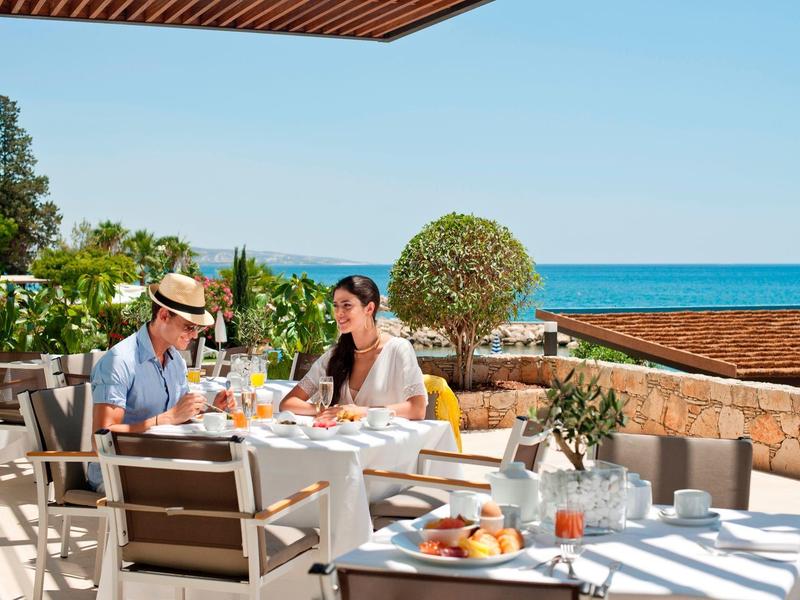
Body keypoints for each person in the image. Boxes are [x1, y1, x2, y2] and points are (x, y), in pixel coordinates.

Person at [88, 273, 234, 491]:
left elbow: (177, 419)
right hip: (120, 472)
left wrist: (212, 411)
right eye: (188, 327)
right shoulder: (119, 362)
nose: (194, 336)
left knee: (231, 481)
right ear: (164, 315)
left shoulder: (176, 361)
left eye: (197, 328)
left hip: (164, 462)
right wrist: (164, 419)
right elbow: (101, 439)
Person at [280, 275, 426, 420]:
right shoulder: (333, 357)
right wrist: (328, 410)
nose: (338, 313)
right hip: (340, 441)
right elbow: (288, 403)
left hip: (389, 441)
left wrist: (360, 412)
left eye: (347, 305)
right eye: (336, 305)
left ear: (369, 308)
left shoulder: (398, 350)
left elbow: (417, 408)